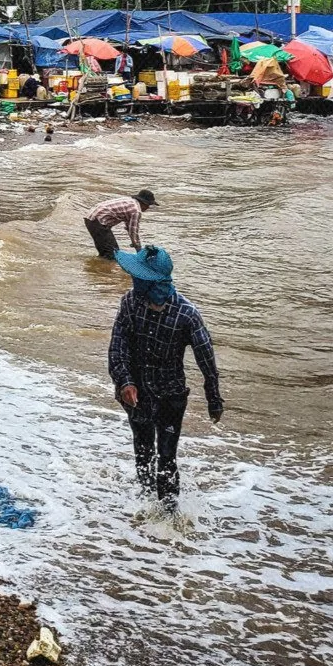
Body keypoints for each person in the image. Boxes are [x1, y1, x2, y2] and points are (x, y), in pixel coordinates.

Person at [106, 245, 223, 507]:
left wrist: (213, 399)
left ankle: (169, 516)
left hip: (170, 395)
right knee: (143, 448)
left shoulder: (187, 314)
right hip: (136, 392)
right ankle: (146, 504)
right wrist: (124, 381)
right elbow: (117, 346)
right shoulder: (129, 302)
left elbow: (206, 360)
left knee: (167, 455)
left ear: (151, 282)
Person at [84, 189, 157, 260]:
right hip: (98, 221)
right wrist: (139, 251)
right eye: (148, 205)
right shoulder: (136, 211)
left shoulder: (130, 201)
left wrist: (135, 243)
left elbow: (129, 228)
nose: (148, 208)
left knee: (108, 250)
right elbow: (133, 232)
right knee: (111, 254)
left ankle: (97, 264)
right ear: (144, 203)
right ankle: (101, 268)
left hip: (92, 218)